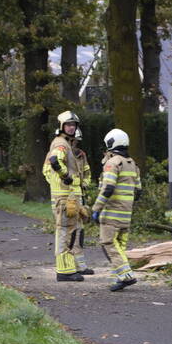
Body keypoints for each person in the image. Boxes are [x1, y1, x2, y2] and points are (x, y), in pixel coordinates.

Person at [91, 129, 142, 291]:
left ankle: (126, 275)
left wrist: (96, 208)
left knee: (108, 243)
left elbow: (108, 188)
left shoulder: (112, 163)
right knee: (119, 246)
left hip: (112, 213)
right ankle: (118, 278)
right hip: (126, 213)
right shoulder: (133, 164)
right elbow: (138, 190)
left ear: (110, 143)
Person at [42, 110, 83, 282]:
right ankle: (64, 271)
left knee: (69, 231)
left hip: (66, 197)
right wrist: (65, 176)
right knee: (65, 232)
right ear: (61, 126)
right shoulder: (61, 144)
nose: (72, 128)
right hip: (64, 198)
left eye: (73, 125)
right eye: (68, 125)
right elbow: (54, 161)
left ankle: (67, 268)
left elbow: (47, 170)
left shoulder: (63, 143)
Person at [71, 128, 94, 276]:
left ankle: (80, 265)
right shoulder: (57, 153)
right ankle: (70, 265)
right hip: (66, 196)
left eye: (76, 141)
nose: (75, 143)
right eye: (73, 140)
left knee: (80, 230)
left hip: (79, 194)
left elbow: (87, 172)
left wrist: (85, 182)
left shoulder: (81, 155)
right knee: (70, 231)